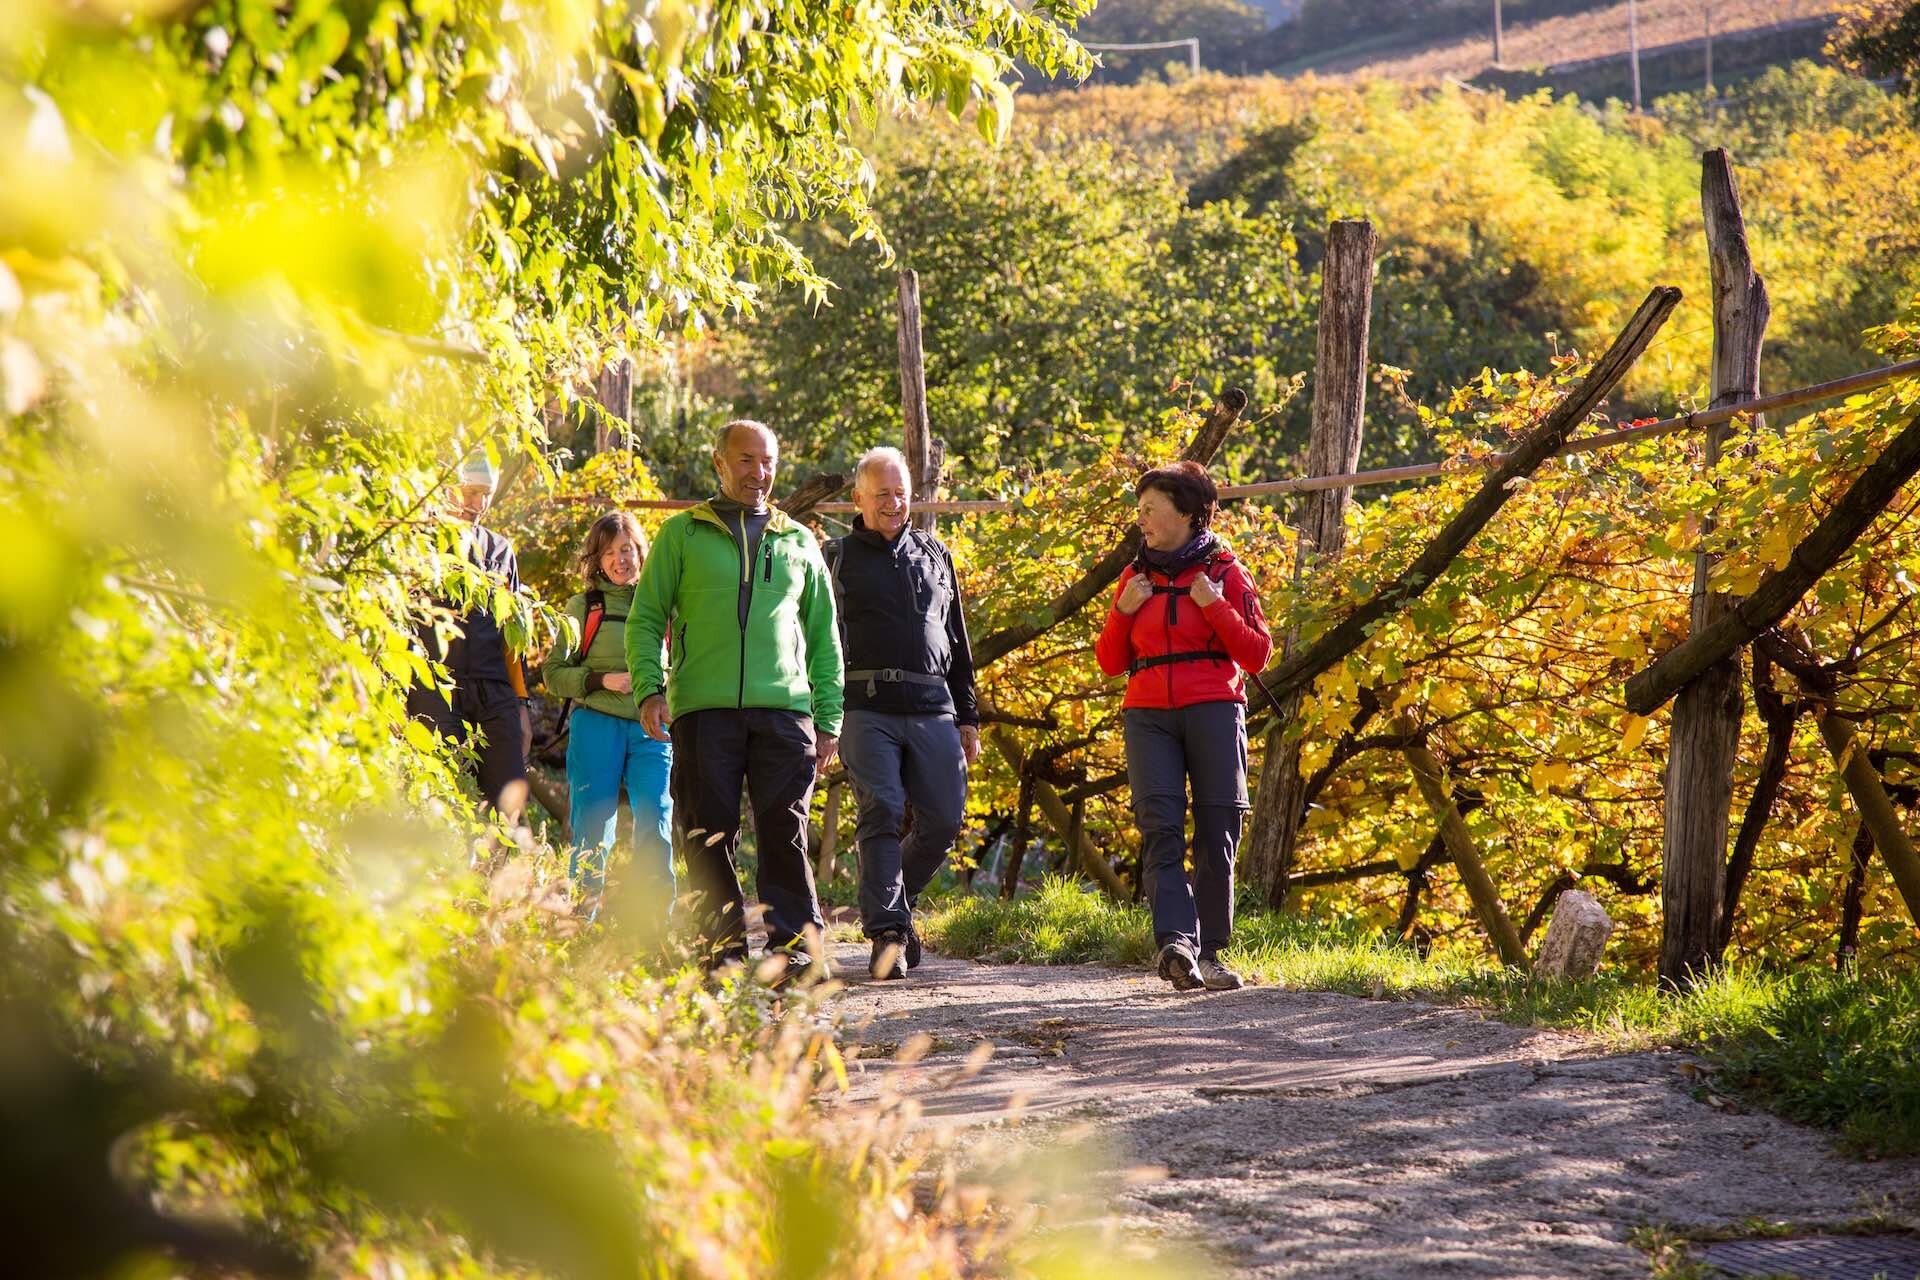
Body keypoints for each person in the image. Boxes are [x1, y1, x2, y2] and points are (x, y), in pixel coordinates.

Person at [624, 420, 844, 982]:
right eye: (746, 460)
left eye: (767, 460)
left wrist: (829, 717)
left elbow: (824, 635)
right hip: (703, 709)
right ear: (719, 464)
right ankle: (718, 954)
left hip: (786, 709)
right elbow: (646, 619)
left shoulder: (798, 541)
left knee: (785, 830)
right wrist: (650, 688)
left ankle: (795, 954)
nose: (760, 472)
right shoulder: (681, 535)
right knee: (707, 831)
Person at [1095, 460, 1272, 992]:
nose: (1141, 519)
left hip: (1215, 708)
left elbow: (1258, 654)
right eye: (1139, 509)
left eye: (1151, 509)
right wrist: (1124, 612)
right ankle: (1177, 945)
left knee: (1218, 830)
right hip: (1147, 714)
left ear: (1190, 513)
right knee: (1161, 829)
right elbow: (1108, 661)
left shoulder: (1226, 572)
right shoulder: (1134, 576)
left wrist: (1215, 607)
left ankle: (1214, 952)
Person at [827, 447, 980, 980]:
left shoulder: (936, 553)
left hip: (934, 705)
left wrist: (968, 716)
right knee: (883, 809)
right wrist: (823, 715)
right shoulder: (835, 557)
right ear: (859, 500)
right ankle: (887, 933)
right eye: (883, 495)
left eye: (902, 494)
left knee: (943, 817)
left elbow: (958, 639)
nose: (895, 504)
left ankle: (897, 902)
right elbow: (816, 642)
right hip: (864, 706)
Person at [541, 512, 673, 923]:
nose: (620, 560)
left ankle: (656, 926)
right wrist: (603, 679)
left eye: (627, 549)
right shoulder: (581, 608)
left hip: (652, 729)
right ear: (597, 560)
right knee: (594, 826)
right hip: (596, 724)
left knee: (656, 820)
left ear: (640, 552)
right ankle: (583, 923)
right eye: (610, 552)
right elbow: (553, 674)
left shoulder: (661, 606)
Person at [407, 454, 533, 829]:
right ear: (449, 489)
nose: (478, 505)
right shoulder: (420, 543)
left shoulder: (501, 550)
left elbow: (515, 634)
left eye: (487, 493)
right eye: (472, 492)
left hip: (494, 692)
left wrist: (522, 705)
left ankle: (501, 885)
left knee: (509, 803)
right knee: (441, 803)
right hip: (436, 686)